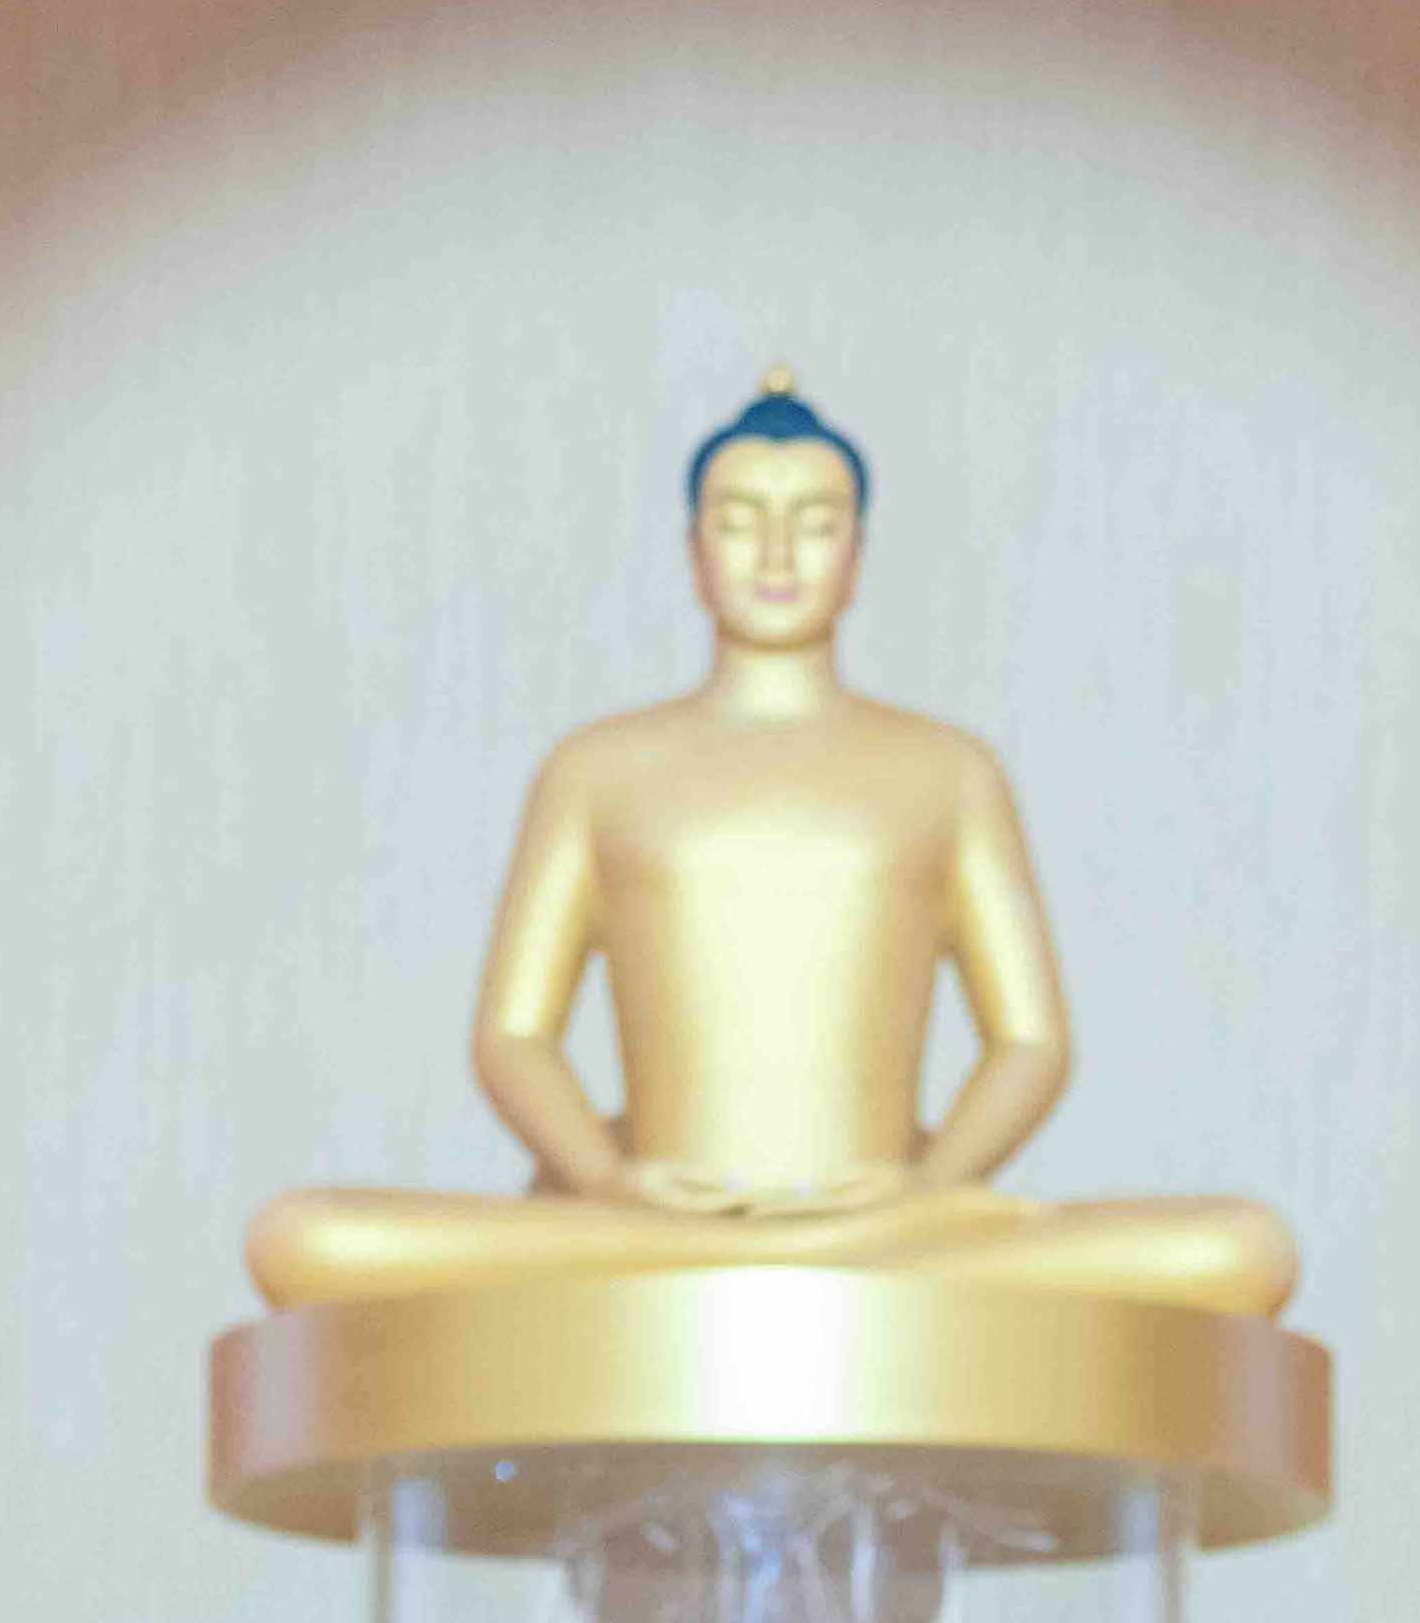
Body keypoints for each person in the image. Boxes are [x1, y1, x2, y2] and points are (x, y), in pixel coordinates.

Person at [243, 375, 1297, 1318]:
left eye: (815, 522)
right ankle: (724, 1258)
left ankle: (822, 1259)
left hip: (889, 1224)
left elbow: (1031, 1045)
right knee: (306, 1237)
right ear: (693, 552)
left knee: (1237, 1250)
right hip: (653, 1223)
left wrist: (928, 1188)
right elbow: (513, 1039)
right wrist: (611, 1180)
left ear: (859, 552)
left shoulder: (948, 770)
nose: (779, 555)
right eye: (742, 522)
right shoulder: (598, 768)